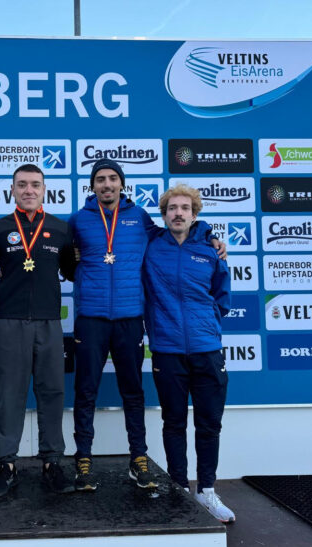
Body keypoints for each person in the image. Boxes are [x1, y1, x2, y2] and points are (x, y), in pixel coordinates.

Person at [68, 159, 226, 492]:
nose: (107, 184)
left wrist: (208, 233)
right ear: (92, 186)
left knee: (133, 393)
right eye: (100, 179)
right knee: (85, 392)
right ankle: (83, 458)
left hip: (129, 319)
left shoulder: (139, 218)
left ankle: (138, 457)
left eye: (112, 178)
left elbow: (178, 231)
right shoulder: (79, 221)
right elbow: (66, 260)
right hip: (91, 319)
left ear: (121, 184)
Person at [0, 163, 77, 497]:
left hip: (49, 323)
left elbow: (73, 271)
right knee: (9, 395)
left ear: (44, 189)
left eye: (35, 184)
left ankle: (53, 463)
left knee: (51, 393)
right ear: (13, 191)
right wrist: (1, 290)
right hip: (9, 323)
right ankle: (6, 464)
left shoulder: (61, 229)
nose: (28, 190)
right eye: (22, 185)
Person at [143, 183, 234, 522]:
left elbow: (222, 298)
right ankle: (179, 487)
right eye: (171, 208)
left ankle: (207, 490)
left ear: (195, 214)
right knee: (174, 421)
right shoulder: (151, 248)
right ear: (164, 215)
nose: (178, 213)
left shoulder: (211, 251)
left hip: (206, 349)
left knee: (209, 424)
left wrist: (205, 325)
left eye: (184, 208)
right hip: (166, 350)